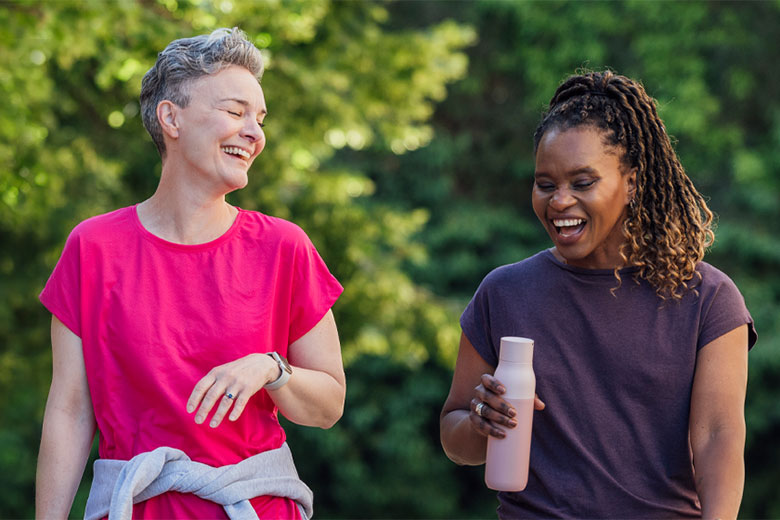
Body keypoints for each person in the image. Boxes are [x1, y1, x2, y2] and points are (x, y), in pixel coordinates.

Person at [36, 28, 345, 519]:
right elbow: (70, 412)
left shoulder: (283, 247)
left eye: (259, 118)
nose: (254, 132)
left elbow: (328, 405)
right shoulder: (92, 248)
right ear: (171, 117)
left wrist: (271, 368)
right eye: (235, 111)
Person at [440, 70, 756, 519]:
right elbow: (455, 439)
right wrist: (479, 421)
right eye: (545, 184)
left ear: (632, 181)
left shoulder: (708, 298)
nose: (559, 201)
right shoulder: (504, 293)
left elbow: (718, 438)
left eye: (582, 183)